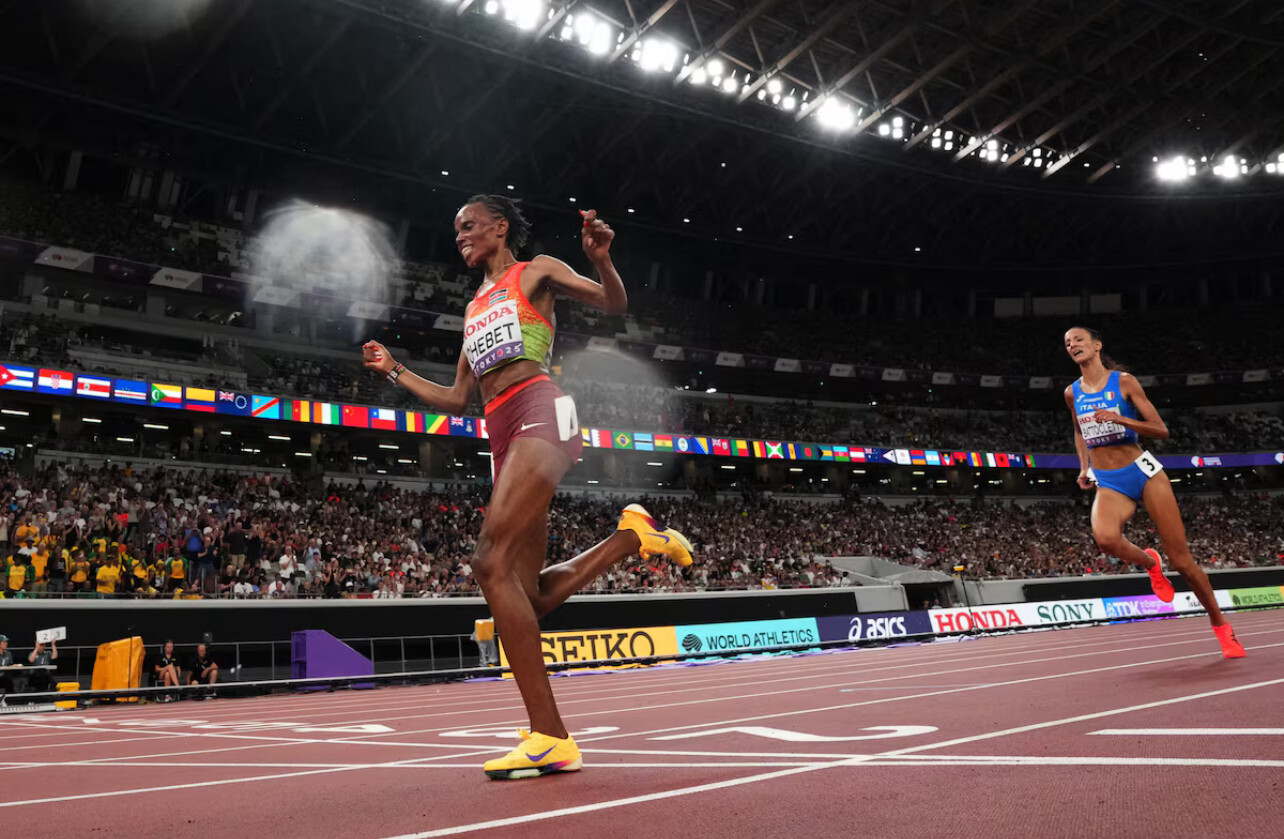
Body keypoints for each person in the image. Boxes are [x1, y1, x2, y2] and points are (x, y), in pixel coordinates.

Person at [362, 196, 694, 781]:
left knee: (488, 562)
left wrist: (602, 259)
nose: (460, 236)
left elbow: (614, 304)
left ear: (500, 227)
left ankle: (551, 736)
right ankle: (630, 537)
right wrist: (395, 369)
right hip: (500, 433)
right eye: (456, 230)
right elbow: (457, 399)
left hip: (539, 409)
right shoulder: (473, 307)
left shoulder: (536, 271)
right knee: (529, 596)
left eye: (469, 226)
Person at [1064, 326, 1244, 657]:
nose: (1072, 345)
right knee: (1106, 539)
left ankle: (1221, 626)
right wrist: (1083, 467)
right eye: (1067, 343)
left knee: (1183, 562)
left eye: (1078, 339)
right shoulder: (1072, 393)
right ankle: (1150, 563)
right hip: (1109, 480)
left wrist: (1121, 420)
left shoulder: (1124, 382)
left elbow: (1161, 430)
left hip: (1143, 471)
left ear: (1097, 345)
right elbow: (1078, 430)